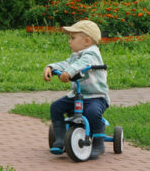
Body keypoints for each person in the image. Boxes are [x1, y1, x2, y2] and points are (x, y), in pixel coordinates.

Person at [44, 19, 107, 157]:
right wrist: (51, 67)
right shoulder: (76, 55)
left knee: (92, 113)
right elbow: (67, 63)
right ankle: (60, 139)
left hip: (96, 97)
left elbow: (82, 64)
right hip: (77, 95)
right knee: (56, 107)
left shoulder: (92, 53)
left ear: (87, 41)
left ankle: (98, 143)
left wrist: (69, 72)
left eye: (72, 38)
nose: (69, 41)